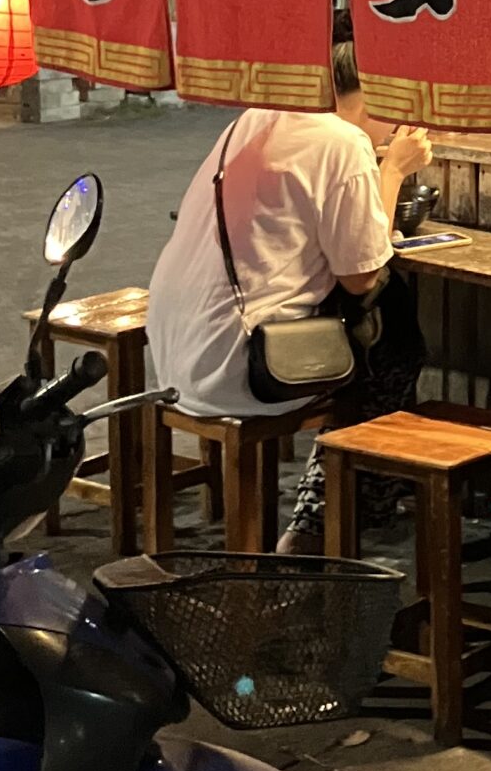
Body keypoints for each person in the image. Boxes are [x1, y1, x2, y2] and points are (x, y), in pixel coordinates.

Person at [146, 36, 433, 548]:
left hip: (172, 351)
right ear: (372, 100)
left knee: (382, 331)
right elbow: (363, 273)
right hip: (246, 367)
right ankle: (325, 519)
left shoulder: (255, 117)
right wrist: (392, 170)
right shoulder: (340, 141)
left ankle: (358, 497)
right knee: (394, 344)